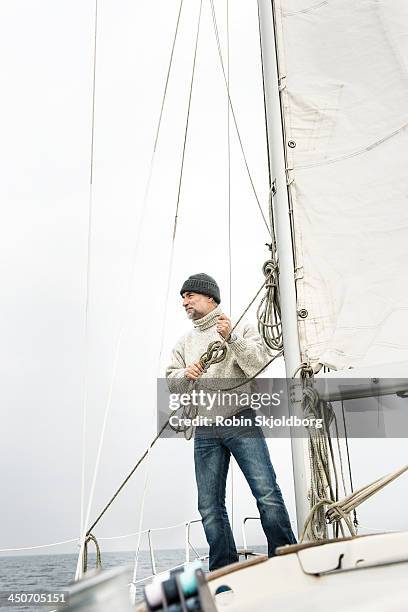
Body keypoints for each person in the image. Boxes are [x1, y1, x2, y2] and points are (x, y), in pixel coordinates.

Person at [166, 273, 296, 571]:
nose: (184, 302)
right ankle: (223, 567)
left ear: (210, 297)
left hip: (240, 419)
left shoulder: (239, 328)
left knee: (266, 493)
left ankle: (286, 557)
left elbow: (257, 364)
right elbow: (171, 383)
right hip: (204, 430)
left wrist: (231, 338)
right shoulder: (184, 343)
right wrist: (184, 375)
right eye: (183, 297)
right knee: (209, 506)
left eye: (190, 295)